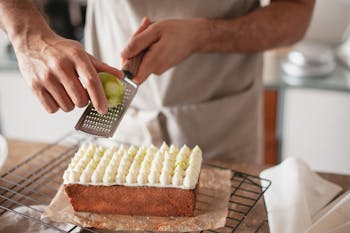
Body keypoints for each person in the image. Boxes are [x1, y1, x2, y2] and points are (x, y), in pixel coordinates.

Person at [0, 0, 314, 164]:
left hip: (221, 124)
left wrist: (203, 35)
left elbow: (297, 13)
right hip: (117, 124)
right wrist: (28, 35)